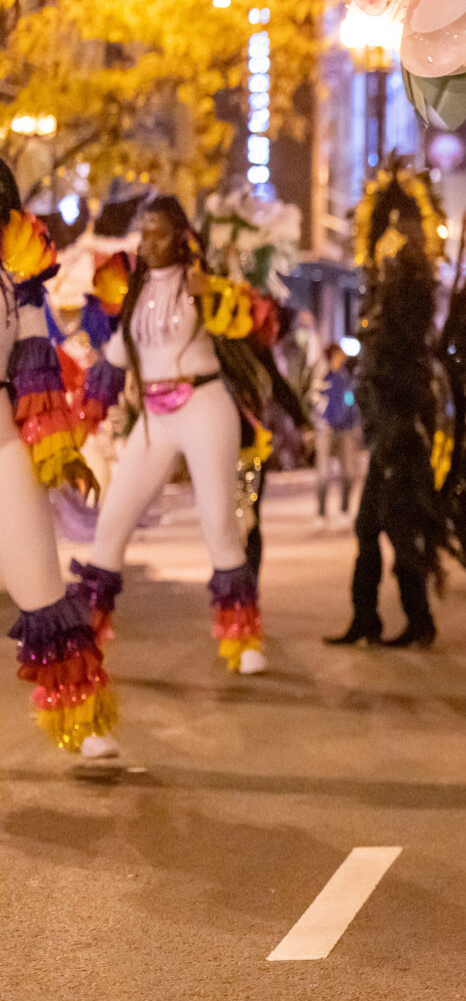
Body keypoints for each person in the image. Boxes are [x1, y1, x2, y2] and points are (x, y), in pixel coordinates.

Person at [70, 195, 297, 677]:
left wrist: (210, 290)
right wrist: (76, 424)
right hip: (153, 417)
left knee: (218, 523)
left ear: (181, 236)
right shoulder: (131, 291)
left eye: (159, 232)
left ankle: (243, 639)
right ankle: (86, 636)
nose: (149, 241)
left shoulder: (202, 285)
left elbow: (259, 321)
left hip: (204, 407)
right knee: (112, 524)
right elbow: (113, 362)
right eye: (143, 232)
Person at [327, 166, 466, 648]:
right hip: (385, 427)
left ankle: (407, 620)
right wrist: (385, 198)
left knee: (390, 527)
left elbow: (404, 359)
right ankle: (373, 619)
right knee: (375, 527)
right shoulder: (378, 294)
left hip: (404, 429)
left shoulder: (412, 291)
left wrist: (406, 209)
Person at [1, 164, 114, 755]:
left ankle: (82, 719)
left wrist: (62, 452)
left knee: (41, 585)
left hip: (0, 444)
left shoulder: (16, 282)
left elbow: (35, 370)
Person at [312, 342, 361, 530]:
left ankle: (344, 510)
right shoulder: (323, 375)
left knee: (349, 472)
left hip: (346, 428)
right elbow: (315, 399)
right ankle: (321, 513)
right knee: (323, 473)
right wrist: (324, 417)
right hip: (326, 429)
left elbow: (351, 398)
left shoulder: (345, 376)